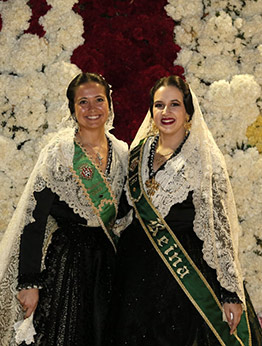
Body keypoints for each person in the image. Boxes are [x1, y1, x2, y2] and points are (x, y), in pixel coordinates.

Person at [106, 75, 262, 345]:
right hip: (136, 276)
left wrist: (229, 293)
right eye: (159, 105)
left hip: (185, 275)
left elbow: (219, 227)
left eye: (174, 104)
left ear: (188, 112)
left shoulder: (205, 158)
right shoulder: (138, 152)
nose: (165, 112)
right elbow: (124, 211)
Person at [0, 72, 129, 346]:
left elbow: (125, 214)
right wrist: (28, 283)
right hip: (66, 263)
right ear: (72, 109)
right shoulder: (59, 153)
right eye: (83, 102)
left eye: (99, 100)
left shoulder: (123, 152)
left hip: (108, 264)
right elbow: (34, 218)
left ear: (110, 105)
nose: (92, 109)